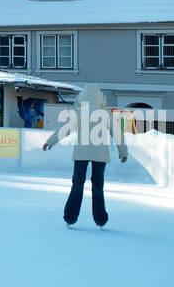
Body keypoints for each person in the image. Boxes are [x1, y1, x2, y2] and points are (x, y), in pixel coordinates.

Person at [41, 84, 127, 228]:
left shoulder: (79, 112)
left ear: (83, 97)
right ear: (100, 98)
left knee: (77, 184)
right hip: (100, 154)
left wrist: (50, 142)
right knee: (98, 186)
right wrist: (123, 152)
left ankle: (70, 217)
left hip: (81, 153)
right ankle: (101, 219)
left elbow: (65, 129)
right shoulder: (105, 113)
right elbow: (117, 133)